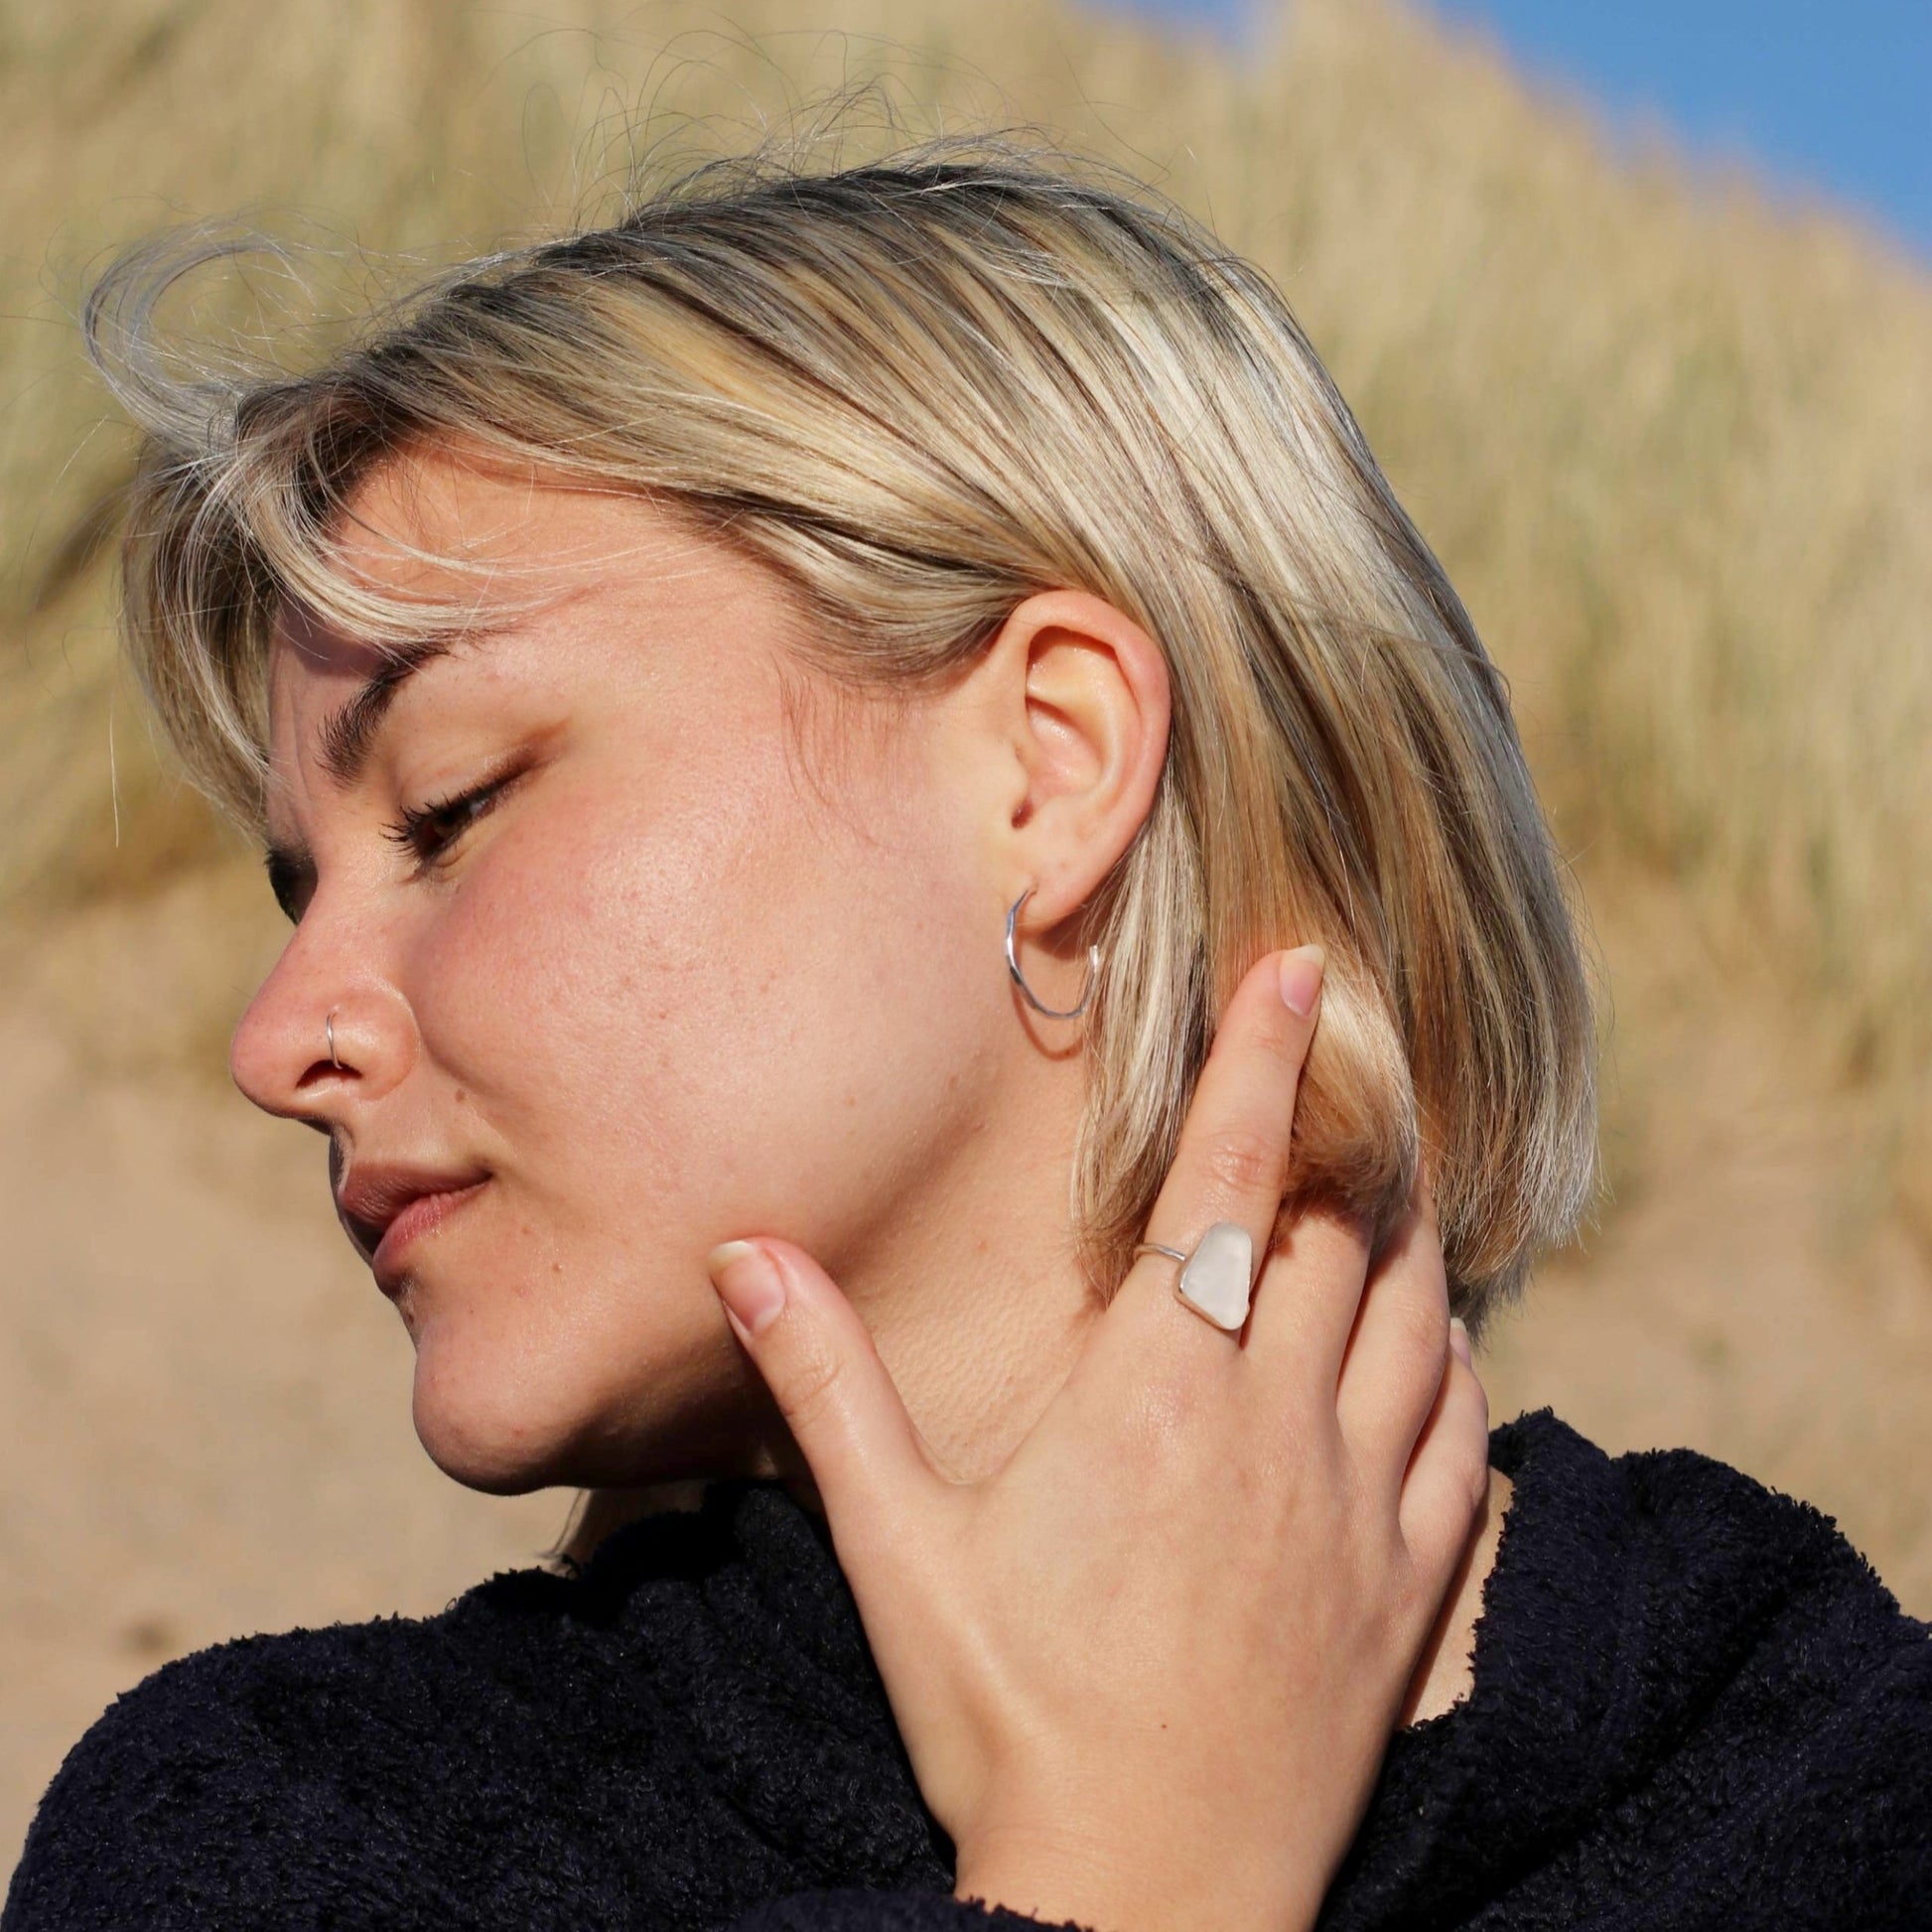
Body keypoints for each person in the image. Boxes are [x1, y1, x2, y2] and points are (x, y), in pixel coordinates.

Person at [6, 140, 1929, 1931]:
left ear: (1047, 763)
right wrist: (1128, 1876)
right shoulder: (292, 1838)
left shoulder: (1825, 1774)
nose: (278, 1038)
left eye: (451, 806)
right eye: (296, 889)